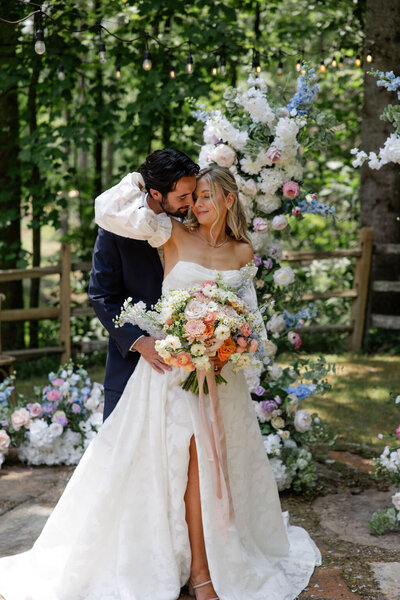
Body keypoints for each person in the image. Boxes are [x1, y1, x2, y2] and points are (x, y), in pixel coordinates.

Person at [0, 165, 321, 600]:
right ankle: (199, 570)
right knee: (188, 459)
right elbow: (109, 210)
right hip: (171, 374)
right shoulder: (170, 232)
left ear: (229, 200)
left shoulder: (243, 251)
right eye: (193, 195)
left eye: (206, 196)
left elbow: (253, 324)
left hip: (221, 377)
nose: (197, 204)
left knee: (213, 463)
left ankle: (213, 558)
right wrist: (141, 178)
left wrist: (229, 342)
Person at [89, 148, 199, 421]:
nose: (191, 202)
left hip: (192, 356)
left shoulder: (195, 219)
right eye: (183, 197)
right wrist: (139, 342)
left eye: (193, 194)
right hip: (134, 357)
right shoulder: (118, 225)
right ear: (156, 194)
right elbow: (101, 295)